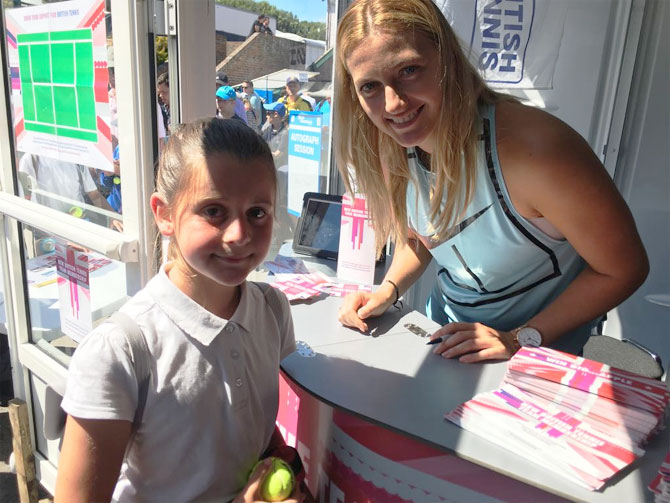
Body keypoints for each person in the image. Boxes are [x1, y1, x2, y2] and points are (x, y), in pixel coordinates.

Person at [334, 0, 648, 362]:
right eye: (370, 86)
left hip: (538, 356)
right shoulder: (391, 148)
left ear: (446, 58)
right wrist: (387, 290)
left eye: (408, 70)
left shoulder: (537, 150)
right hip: (445, 342)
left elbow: (624, 269)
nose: (392, 104)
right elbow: (420, 239)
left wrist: (519, 339)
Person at [55, 118, 307, 502]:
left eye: (257, 212)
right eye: (214, 211)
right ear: (165, 214)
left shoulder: (272, 309)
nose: (239, 234)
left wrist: (278, 464)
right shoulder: (120, 351)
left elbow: (246, 425)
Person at [261, 101, 288, 167]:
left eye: (268, 113)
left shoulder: (285, 133)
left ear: (276, 114)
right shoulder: (268, 129)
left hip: (279, 168)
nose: (266, 116)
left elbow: (277, 155)